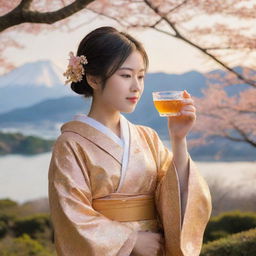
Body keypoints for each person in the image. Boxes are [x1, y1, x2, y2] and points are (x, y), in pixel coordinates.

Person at [48, 26, 212, 256]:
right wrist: (131, 240)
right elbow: (71, 215)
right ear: (94, 79)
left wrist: (178, 139)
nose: (136, 86)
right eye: (126, 75)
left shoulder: (148, 137)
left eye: (141, 76)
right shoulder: (71, 144)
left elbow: (178, 198)